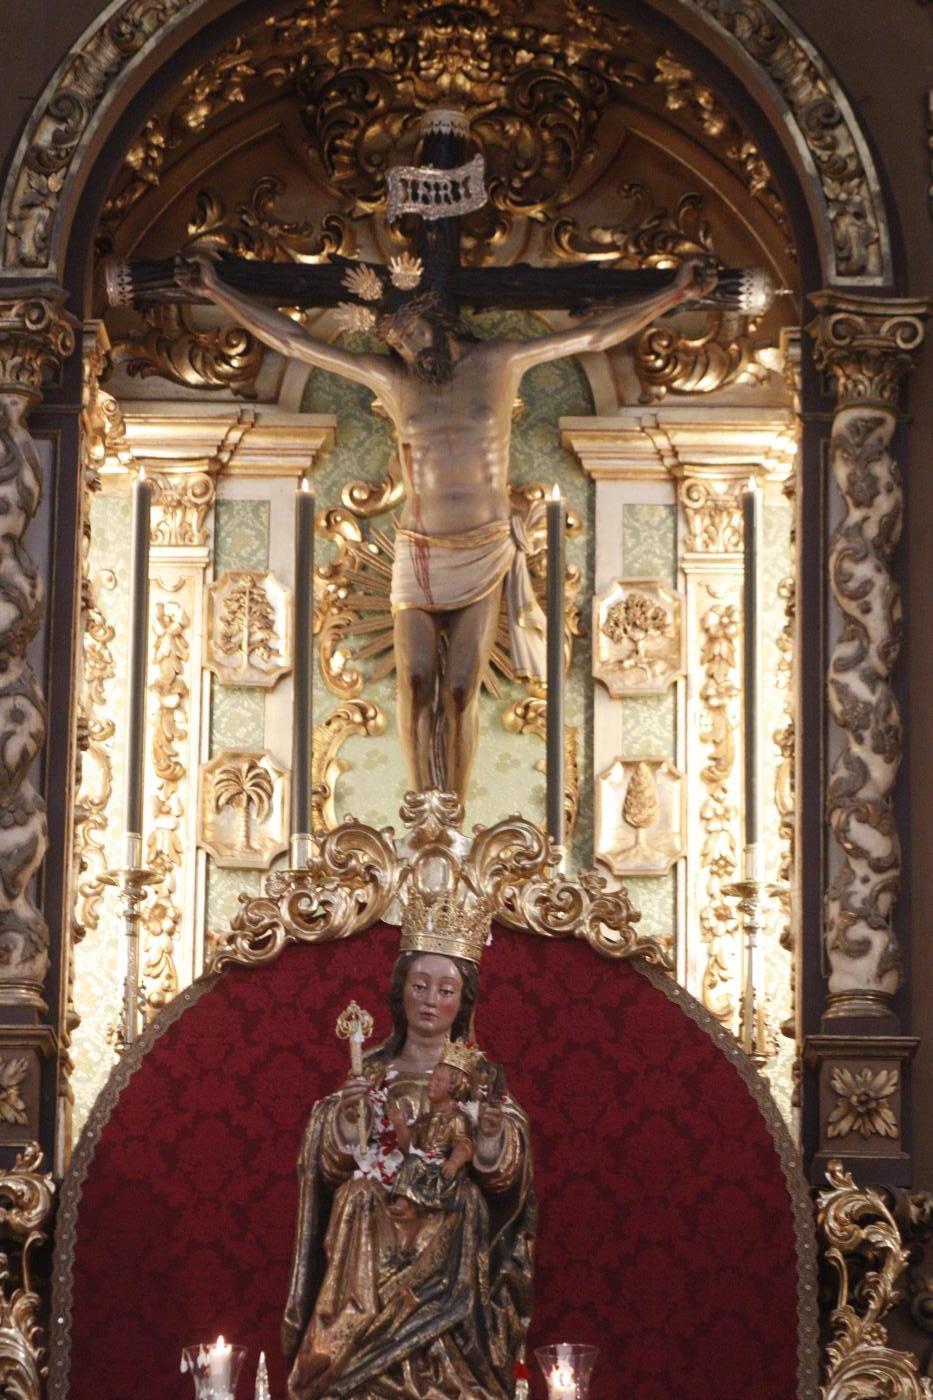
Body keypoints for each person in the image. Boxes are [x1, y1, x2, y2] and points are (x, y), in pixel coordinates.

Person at [185, 252, 718, 800]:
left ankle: (453, 815)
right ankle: (423, 810)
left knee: (461, 688)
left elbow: (592, 336)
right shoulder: (394, 380)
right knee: (417, 681)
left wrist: (674, 293)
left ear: (437, 318)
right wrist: (217, 290)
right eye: (397, 342)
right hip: (419, 551)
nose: (409, 349)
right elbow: (297, 344)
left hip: (484, 549)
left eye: (414, 332)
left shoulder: (499, 362)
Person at [282, 916, 534, 1400]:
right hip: (379, 1206)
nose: (430, 1000)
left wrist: (489, 1134)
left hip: (448, 1209)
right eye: (419, 986)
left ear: (463, 1001)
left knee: (465, 1203)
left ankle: (448, 1368)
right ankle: (351, 1357)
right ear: (400, 993)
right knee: (355, 1195)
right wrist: (349, 1117)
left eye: (445, 990)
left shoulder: (479, 1077)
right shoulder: (373, 1068)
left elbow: (505, 1174)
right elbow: (331, 1163)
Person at [387, 1037, 477, 1249]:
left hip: (442, 1172)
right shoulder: (425, 1120)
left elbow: (464, 1145)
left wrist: (454, 1162)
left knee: (413, 1163)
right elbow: (410, 1146)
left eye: (438, 1081)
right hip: (422, 1167)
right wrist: (400, 1125)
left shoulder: (457, 1118)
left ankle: (407, 1201)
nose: (431, 1083)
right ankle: (406, 1201)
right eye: (432, 1079)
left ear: (454, 1087)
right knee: (410, 1161)